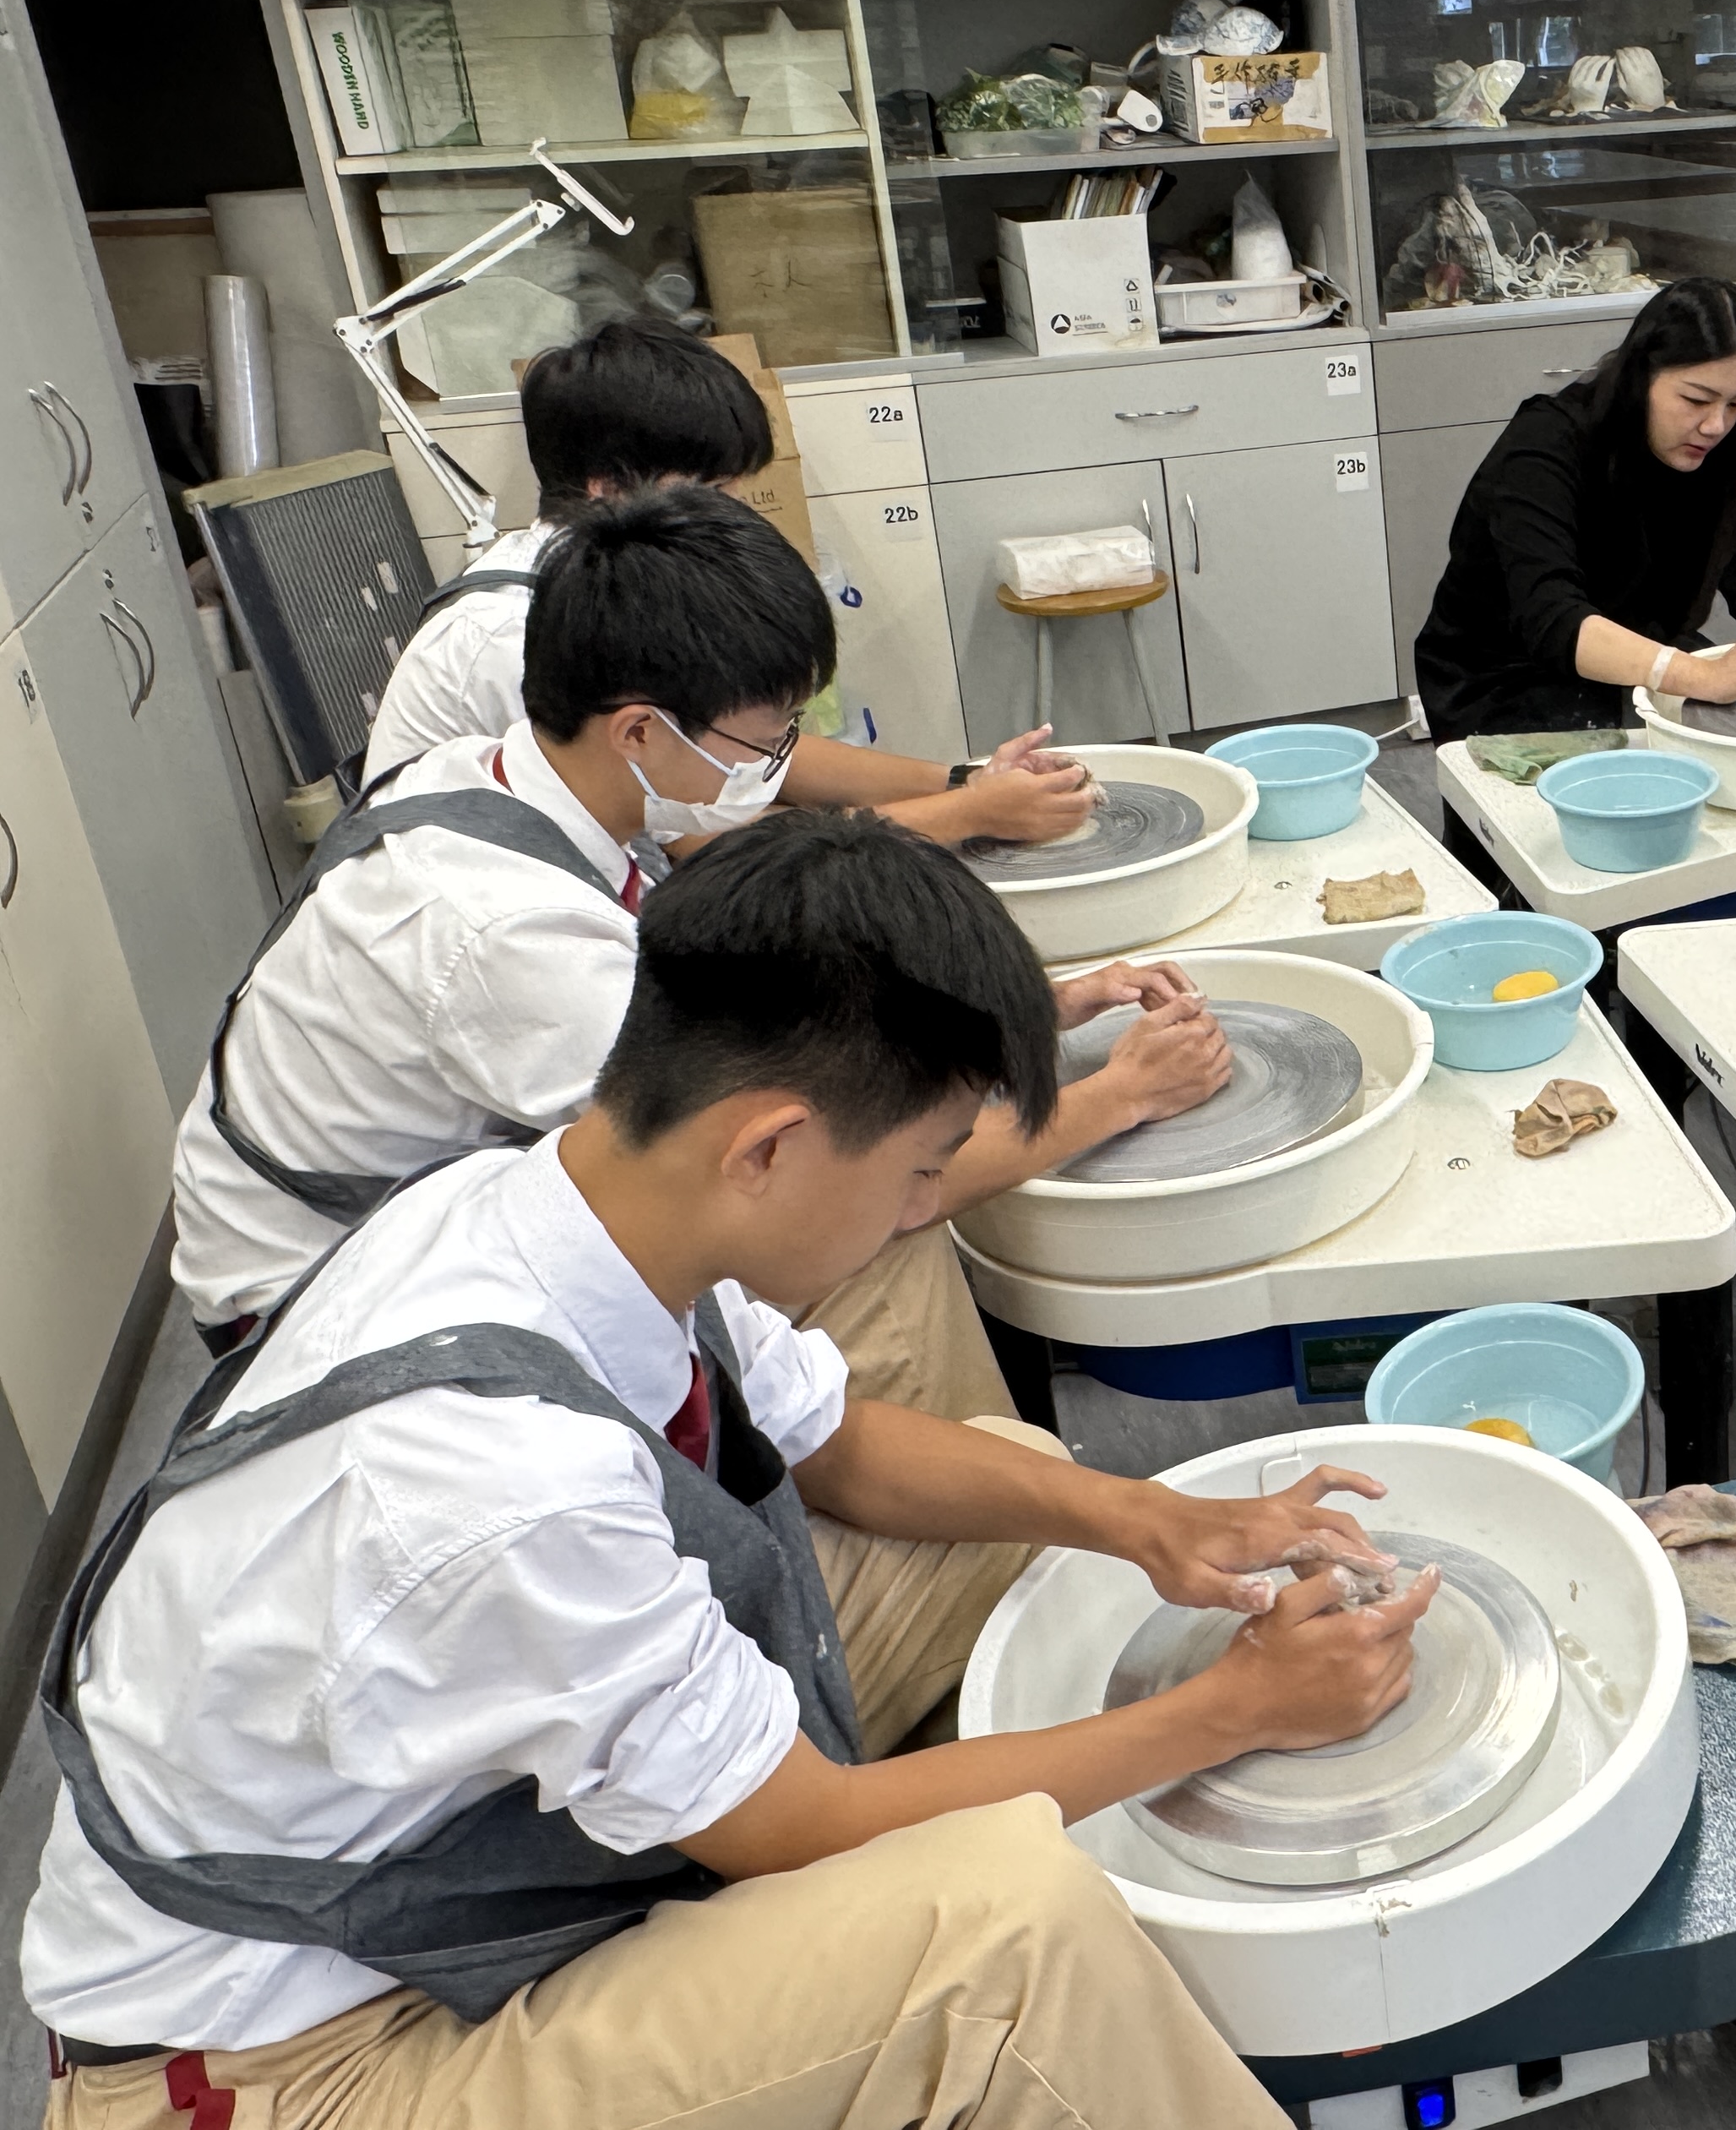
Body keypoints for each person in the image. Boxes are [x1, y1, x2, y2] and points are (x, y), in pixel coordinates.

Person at [30, 810, 1437, 2129]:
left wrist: (1151, 1516)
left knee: (1018, 1482)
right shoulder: (505, 1483)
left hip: (454, 1850)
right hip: (292, 2056)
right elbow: (798, 1827)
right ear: (768, 1145)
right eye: (922, 1170)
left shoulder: (568, 1201)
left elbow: (843, 1444)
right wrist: (1229, 1711)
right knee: (1006, 1927)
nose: (924, 1204)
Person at [171, 488, 1231, 1385]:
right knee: (881, 1250)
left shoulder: (517, 778)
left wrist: (1018, 1015)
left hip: (449, 1180)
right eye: (764, 740)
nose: (777, 765)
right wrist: (1123, 1096)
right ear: (639, 728)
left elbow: (742, 1008)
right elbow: (815, 1178)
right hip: (316, 1299)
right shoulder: (513, 939)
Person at [360, 312, 1089, 849]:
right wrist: (970, 816)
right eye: (710, 492)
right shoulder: (516, 635)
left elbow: (751, 747)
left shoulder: (612, 580)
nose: (734, 517)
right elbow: (708, 848)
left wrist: (961, 779)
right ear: (607, 490)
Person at [1413, 277, 1736, 742]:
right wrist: (1700, 674)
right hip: (1506, 673)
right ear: (1641, 376)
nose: (1715, 425)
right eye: (1695, 400)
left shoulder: (1725, 454)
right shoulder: (1544, 444)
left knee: (1735, 737)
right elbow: (1552, 617)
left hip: (1642, 647)